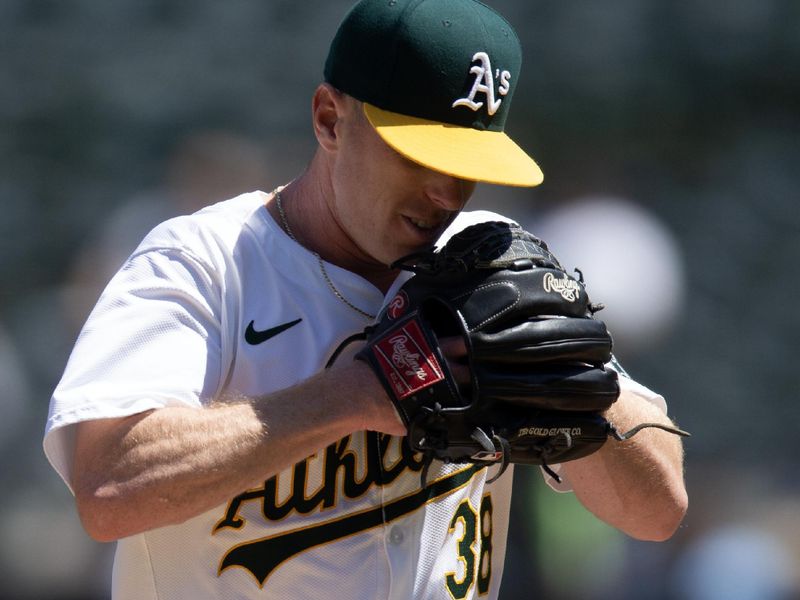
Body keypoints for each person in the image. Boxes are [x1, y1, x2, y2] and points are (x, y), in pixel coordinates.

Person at [43, 1, 688, 598]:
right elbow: (109, 486)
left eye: (467, 162)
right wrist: (348, 396)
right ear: (330, 119)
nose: (447, 192)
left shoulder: (488, 265)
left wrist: (579, 392)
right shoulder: (207, 263)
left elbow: (659, 509)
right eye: (419, 155)